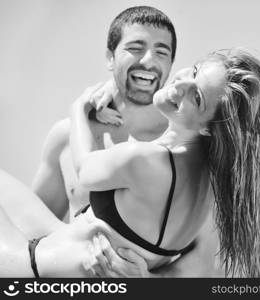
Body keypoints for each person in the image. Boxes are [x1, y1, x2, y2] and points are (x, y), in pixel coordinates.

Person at [0, 48, 260, 277]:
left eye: (197, 96)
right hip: (57, 243)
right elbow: (193, 271)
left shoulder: (147, 160)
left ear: (209, 127)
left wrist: (79, 108)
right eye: (193, 72)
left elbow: (85, 169)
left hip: (31, 268)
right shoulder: (209, 182)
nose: (181, 84)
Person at [29, 6, 219, 277]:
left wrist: (146, 279)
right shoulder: (67, 136)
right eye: (135, 48)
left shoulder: (187, 152)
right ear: (110, 57)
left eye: (162, 52)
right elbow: (36, 232)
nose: (149, 60)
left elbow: (202, 265)